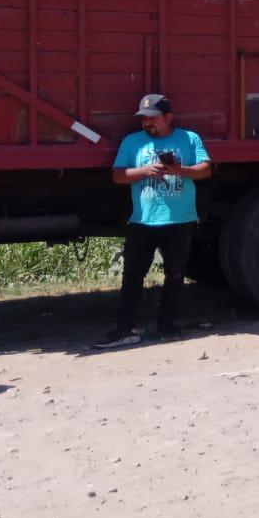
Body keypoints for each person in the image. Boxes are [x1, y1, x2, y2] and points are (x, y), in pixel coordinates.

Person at [95, 94, 213, 348]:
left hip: (180, 220)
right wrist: (146, 171)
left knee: (175, 275)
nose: (147, 123)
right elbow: (118, 175)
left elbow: (206, 169)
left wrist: (181, 170)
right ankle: (126, 328)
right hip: (143, 221)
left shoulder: (189, 139)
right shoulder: (133, 142)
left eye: (152, 118)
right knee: (133, 275)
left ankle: (167, 326)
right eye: (144, 119)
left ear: (168, 117)